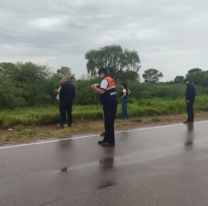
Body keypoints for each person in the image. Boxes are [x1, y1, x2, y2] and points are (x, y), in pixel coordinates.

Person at [91, 68, 117, 147]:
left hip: (109, 103)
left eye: (99, 74)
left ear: (102, 73)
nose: (99, 76)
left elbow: (102, 91)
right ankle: (106, 139)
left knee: (109, 123)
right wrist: (98, 87)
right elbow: (106, 89)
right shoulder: (110, 79)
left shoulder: (105, 80)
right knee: (107, 122)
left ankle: (110, 141)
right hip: (112, 102)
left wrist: (94, 87)